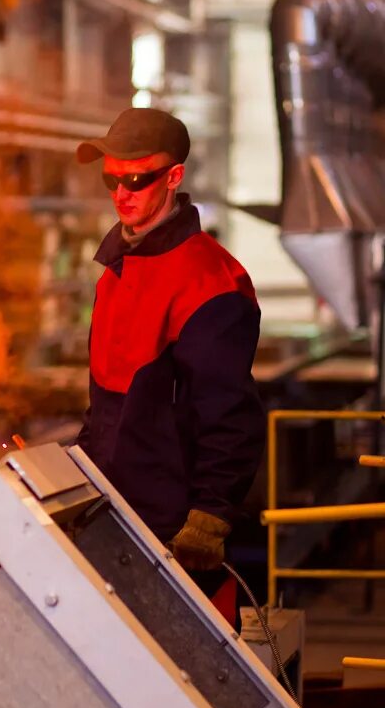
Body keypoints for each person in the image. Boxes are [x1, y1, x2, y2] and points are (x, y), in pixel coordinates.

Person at [75, 107, 265, 608]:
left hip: (171, 532)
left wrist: (210, 518)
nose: (122, 194)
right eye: (111, 180)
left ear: (174, 177)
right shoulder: (116, 271)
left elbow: (231, 415)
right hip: (112, 516)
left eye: (137, 179)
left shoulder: (210, 284)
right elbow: (107, 405)